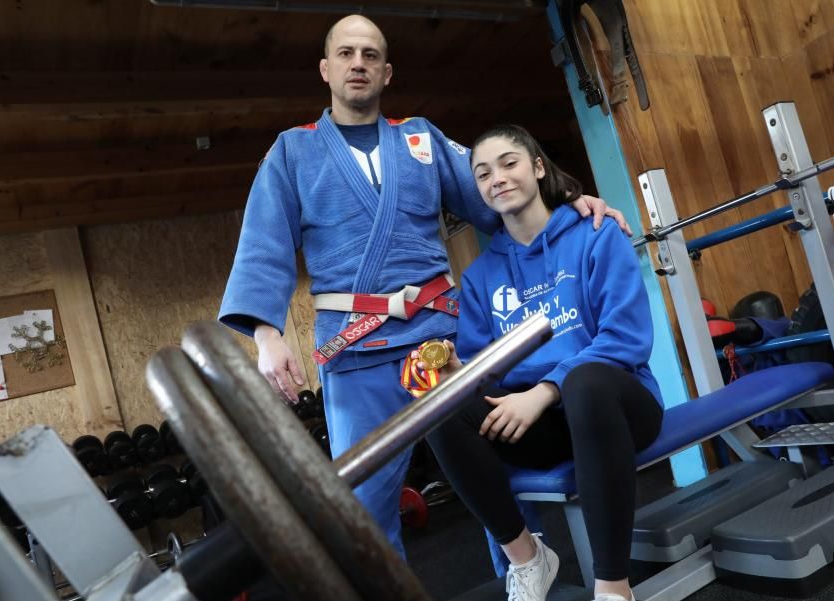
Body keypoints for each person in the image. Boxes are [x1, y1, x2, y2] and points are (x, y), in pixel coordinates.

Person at [218, 14, 630, 558]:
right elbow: (263, 244)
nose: (358, 64)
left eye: (370, 55)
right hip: (355, 349)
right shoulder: (292, 151)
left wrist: (568, 207)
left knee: (496, 469)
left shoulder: (422, 138)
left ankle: (528, 584)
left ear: (387, 72)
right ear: (325, 68)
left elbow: (499, 197)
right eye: (346, 54)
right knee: (363, 507)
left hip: (443, 345)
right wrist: (267, 336)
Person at [424, 125, 662, 601]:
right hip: (544, 421)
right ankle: (527, 559)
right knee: (440, 408)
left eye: (508, 163)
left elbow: (624, 339)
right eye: (482, 173)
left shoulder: (596, 232)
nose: (496, 178)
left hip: (618, 403)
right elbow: (488, 370)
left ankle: (614, 597)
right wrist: (463, 373)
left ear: (536, 167)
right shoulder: (482, 277)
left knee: (584, 382)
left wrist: (546, 389)